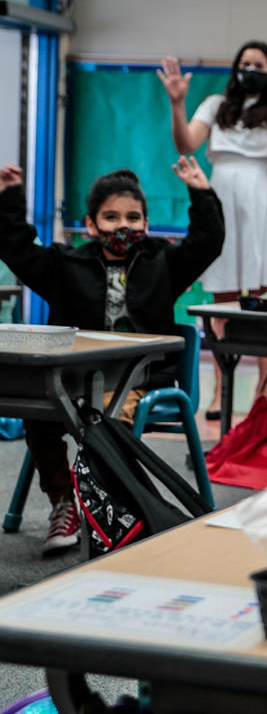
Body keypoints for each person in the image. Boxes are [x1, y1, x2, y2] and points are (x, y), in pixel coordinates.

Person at [0, 158, 224, 554]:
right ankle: (65, 504)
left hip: (136, 379)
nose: (124, 226)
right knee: (38, 412)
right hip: (71, 379)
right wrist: (11, 198)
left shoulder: (164, 263)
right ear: (90, 224)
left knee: (106, 415)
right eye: (111, 217)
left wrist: (201, 193)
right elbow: (16, 249)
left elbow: (208, 241)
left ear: (146, 223)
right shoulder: (65, 264)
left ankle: (108, 508)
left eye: (134, 217)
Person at [158, 41, 267, 418]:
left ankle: (261, 392)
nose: (250, 68)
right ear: (235, 68)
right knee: (222, 297)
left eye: (258, 63)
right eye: (244, 63)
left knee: (265, 298)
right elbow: (186, 143)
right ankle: (221, 389)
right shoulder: (215, 105)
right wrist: (177, 103)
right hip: (224, 197)